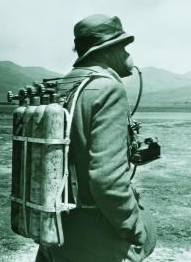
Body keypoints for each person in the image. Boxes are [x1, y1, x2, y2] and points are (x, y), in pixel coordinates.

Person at [35, 14, 156, 262]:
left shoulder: (65, 83)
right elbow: (106, 179)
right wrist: (134, 228)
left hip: (56, 228)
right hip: (94, 238)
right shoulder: (108, 88)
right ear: (108, 50)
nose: (127, 54)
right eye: (123, 46)